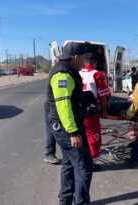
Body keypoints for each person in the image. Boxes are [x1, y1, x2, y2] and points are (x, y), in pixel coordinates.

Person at [47, 42, 93, 204]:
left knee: (68, 164)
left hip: (67, 127)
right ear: (75, 57)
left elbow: (72, 98)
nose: (84, 62)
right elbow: (63, 106)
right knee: (84, 168)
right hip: (67, 130)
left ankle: (65, 200)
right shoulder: (63, 74)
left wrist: (86, 97)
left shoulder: (70, 71)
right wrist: (73, 132)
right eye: (83, 58)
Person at [79, 53, 111, 170]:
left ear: (83, 62)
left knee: (81, 136)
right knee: (93, 137)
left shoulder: (76, 73)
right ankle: (91, 163)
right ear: (95, 63)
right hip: (90, 113)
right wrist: (104, 111)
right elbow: (103, 96)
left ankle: (80, 160)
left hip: (77, 111)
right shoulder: (96, 74)